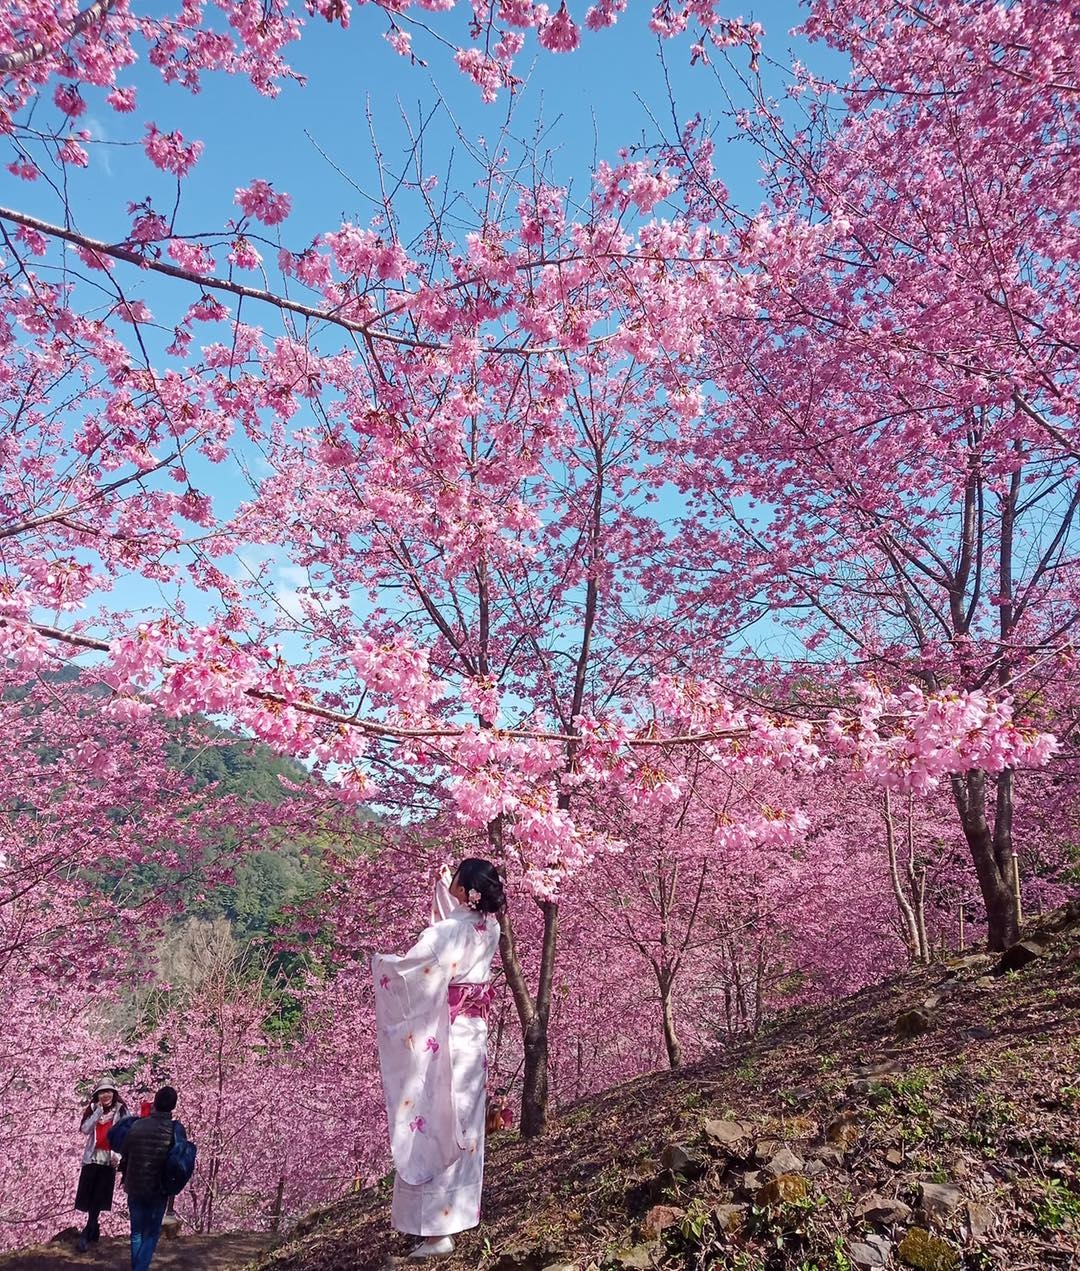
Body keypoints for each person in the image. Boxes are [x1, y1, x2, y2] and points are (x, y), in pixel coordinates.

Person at [373, 858, 505, 1260]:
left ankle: (436, 1230)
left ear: (466, 892)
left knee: (436, 1118)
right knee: (463, 1119)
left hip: (447, 1037)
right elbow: (457, 929)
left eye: (457, 884)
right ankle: (456, 1214)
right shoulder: (490, 928)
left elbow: (420, 964)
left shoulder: (447, 932)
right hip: (473, 1036)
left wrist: (382, 965)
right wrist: (446, 884)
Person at [118, 1085, 180, 1271]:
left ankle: (137, 1267)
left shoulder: (137, 1125)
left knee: (136, 1231)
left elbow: (124, 1151)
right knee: (151, 1232)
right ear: (173, 1106)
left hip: (134, 1184)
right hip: (158, 1188)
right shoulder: (174, 1130)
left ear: (155, 1103)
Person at [75, 1079, 129, 1252]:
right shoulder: (92, 1110)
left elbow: (126, 1135)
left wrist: (119, 1155)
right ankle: (93, 1227)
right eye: (102, 1092)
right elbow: (85, 1130)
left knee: (99, 1195)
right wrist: (97, 1112)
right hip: (92, 1157)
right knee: (89, 1194)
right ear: (97, 1095)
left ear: (114, 1093)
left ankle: (88, 1230)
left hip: (109, 1159)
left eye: (109, 1092)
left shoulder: (121, 1111)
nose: (105, 1095)